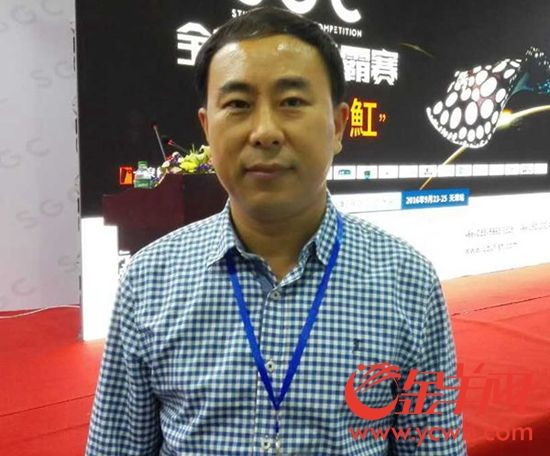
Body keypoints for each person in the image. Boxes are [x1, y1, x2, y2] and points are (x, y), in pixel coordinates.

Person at [86, 7, 466, 455]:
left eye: (292, 102)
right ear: (207, 127)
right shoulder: (149, 280)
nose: (265, 132)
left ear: (338, 125)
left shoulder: (408, 281)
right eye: (238, 105)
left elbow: (432, 446)